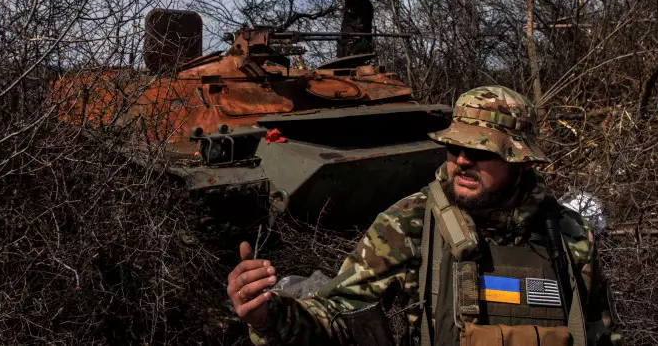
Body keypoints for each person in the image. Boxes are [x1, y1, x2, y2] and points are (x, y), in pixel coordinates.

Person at [227, 86, 621, 345]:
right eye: (454, 148)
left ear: (519, 160)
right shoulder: (410, 224)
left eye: (479, 151)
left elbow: (601, 332)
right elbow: (337, 316)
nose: (462, 160)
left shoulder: (568, 235)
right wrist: (269, 316)